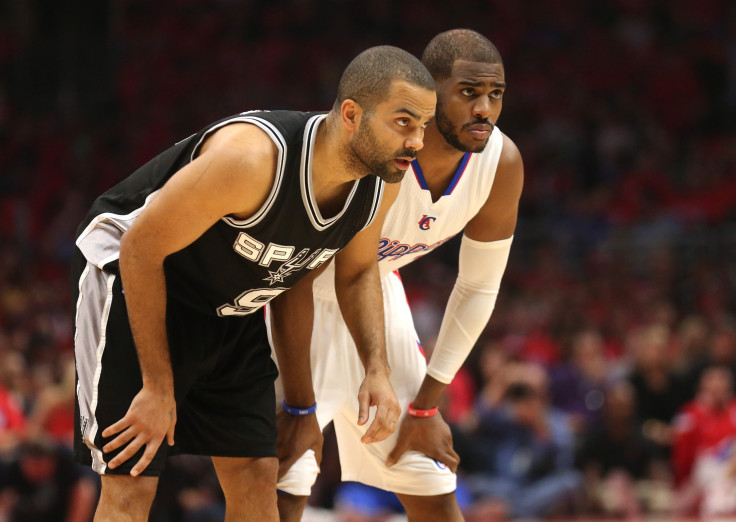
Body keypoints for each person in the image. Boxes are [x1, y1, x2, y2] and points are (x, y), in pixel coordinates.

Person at [72, 45, 436, 521]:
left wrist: (376, 368)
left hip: (233, 307)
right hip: (141, 291)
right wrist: (157, 386)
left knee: (258, 475)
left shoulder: (382, 180)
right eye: (404, 122)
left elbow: (359, 271)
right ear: (351, 114)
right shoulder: (252, 160)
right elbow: (140, 249)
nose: (417, 142)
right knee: (132, 482)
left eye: (424, 126)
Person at [273, 30, 523, 521]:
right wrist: (301, 406)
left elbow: (478, 286)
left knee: (427, 472)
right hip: (293, 292)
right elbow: (296, 270)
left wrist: (427, 405)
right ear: (429, 92)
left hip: (372, 294)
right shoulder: (380, 150)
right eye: (468, 93)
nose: (484, 110)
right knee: (288, 476)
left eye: (495, 95)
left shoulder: (501, 163)